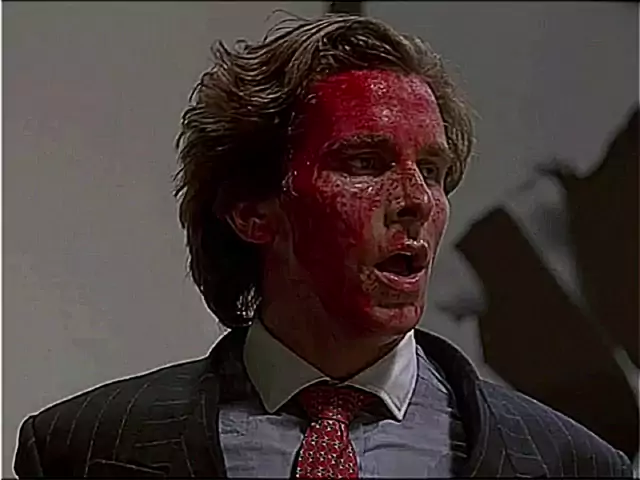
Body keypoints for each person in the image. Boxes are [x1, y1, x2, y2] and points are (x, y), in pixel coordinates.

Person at [14, 14, 633, 478]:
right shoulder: (83, 450)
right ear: (252, 211)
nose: (418, 200)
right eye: (365, 162)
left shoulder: (577, 465)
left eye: (433, 171)